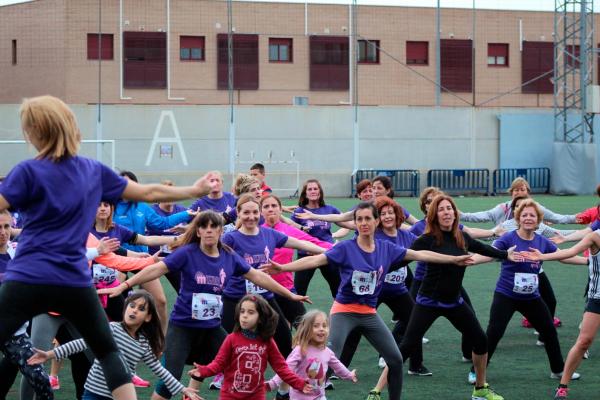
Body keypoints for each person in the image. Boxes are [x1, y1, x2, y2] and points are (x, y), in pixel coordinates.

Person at [0, 95, 215, 400]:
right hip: (73, 281)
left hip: (27, 277)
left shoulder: (28, 171)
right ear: (70, 128)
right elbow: (149, 191)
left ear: (34, 133)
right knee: (107, 352)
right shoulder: (92, 170)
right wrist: (193, 189)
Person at [261, 202, 475, 400]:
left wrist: (453, 259)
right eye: (359, 219)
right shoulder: (346, 248)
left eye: (367, 219)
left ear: (376, 222)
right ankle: (300, 394)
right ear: (355, 223)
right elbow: (315, 259)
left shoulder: (387, 249)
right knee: (325, 358)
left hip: (369, 313)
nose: (363, 223)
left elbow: (422, 255)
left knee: (396, 359)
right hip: (344, 311)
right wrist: (284, 268)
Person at [98, 210, 309, 400]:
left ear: (220, 231)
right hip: (183, 326)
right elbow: (156, 269)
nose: (209, 231)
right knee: (170, 378)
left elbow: (258, 277)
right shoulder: (187, 253)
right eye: (204, 227)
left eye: (213, 227)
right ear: (198, 231)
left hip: (211, 328)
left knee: (240, 363)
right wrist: (125, 284)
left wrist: (289, 295)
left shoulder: (229, 256)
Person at [398, 194, 519, 400]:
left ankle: (480, 388)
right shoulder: (426, 239)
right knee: (407, 346)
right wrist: (381, 267)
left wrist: (505, 254)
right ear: (434, 215)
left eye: (450, 208)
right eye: (442, 209)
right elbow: (405, 256)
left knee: (481, 341)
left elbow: (482, 248)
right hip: (428, 301)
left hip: (454, 301)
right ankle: (377, 391)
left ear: (455, 213)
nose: (447, 212)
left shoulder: (461, 236)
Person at [468, 199, 584, 384]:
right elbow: (489, 254)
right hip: (506, 296)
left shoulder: (542, 241)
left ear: (538, 220)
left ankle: (558, 370)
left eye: (532, 215)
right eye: (524, 215)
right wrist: (470, 260)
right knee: (494, 332)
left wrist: (588, 262)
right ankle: (476, 371)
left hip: (531, 297)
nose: (528, 218)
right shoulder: (508, 238)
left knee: (548, 331)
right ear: (518, 219)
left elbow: (564, 257)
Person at [28, 290, 202, 400]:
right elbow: (82, 343)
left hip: (118, 395)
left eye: (141, 309)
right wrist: (50, 354)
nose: (134, 310)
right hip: (93, 393)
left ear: (148, 317)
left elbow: (159, 370)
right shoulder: (111, 329)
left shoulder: (143, 343)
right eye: (131, 305)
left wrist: (183, 389)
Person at [523, 227, 600, 399]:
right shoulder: (595, 236)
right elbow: (570, 252)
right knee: (584, 341)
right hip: (598, 298)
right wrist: (542, 256)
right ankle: (563, 385)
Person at [189, 294, 312, 399]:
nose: (244, 315)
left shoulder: (267, 342)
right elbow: (219, 363)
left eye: (250, 312)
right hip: (230, 396)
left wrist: (299, 384)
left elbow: (282, 368)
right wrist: (204, 371)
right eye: (242, 311)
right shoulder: (231, 339)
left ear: (261, 317)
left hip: (256, 396)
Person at [0, 210, 53, 400]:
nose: (3, 232)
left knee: (42, 382)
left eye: (7, 226)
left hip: (15, 333)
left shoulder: (17, 251)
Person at [261, 194, 332, 327]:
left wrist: (336, 248)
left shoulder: (288, 230)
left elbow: (314, 242)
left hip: (286, 288)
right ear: (261, 211)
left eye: (274, 206)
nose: (270, 209)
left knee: (304, 328)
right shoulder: (256, 231)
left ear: (281, 210)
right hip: (262, 290)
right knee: (273, 332)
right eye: (266, 206)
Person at [266, 310, 358, 399]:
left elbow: (337, 365)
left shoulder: (327, 352)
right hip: (300, 397)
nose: (321, 329)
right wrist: (273, 383)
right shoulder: (300, 350)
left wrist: (349, 375)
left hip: (320, 396)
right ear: (306, 330)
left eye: (324, 326)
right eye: (316, 326)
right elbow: (286, 369)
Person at [114, 170, 193, 253]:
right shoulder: (111, 206)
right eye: (124, 183)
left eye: (130, 183)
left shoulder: (142, 206)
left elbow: (162, 223)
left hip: (141, 258)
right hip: (119, 257)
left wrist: (186, 214)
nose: (127, 186)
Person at [291, 179, 342, 298]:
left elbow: (345, 223)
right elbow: (292, 232)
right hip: (307, 254)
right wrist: (303, 245)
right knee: (298, 292)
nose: (313, 191)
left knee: (339, 291)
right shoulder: (299, 212)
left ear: (320, 192)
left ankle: (341, 315)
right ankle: (297, 316)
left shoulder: (330, 209)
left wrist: (334, 235)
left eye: (315, 188)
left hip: (327, 254)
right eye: (310, 189)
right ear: (305, 193)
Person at [460, 177, 576, 225]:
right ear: (511, 192)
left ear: (528, 192)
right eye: (516, 190)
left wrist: (577, 218)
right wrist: (462, 215)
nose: (519, 192)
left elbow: (557, 218)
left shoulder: (536, 207)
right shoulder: (504, 208)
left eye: (522, 189)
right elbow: (486, 215)